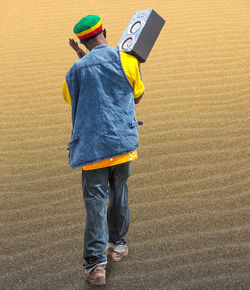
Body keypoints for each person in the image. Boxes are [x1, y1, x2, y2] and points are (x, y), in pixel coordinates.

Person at [62, 15, 145, 286]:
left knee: (95, 205)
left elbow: (69, 96)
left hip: (92, 150)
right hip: (122, 144)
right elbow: (137, 94)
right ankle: (117, 245)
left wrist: (80, 61)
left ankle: (96, 267)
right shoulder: (128, 60)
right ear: (105, 32)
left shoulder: (75, 70)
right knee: (119, 193)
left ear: (82, 42)